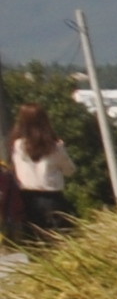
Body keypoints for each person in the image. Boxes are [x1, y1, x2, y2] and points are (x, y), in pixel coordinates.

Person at [4, 102, 67, 241]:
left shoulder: (17, 145)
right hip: (52, 199)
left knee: (33, 242)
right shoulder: (55, 146)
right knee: (57, 241)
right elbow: (69, 169)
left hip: (25, 199)